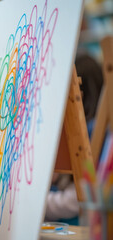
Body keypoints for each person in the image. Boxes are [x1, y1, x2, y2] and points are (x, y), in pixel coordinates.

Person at [44, 52, 104, 224]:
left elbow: (82, 197)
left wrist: (40, 204)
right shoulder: (80, 129)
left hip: (78, 222)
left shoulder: (91, 134)